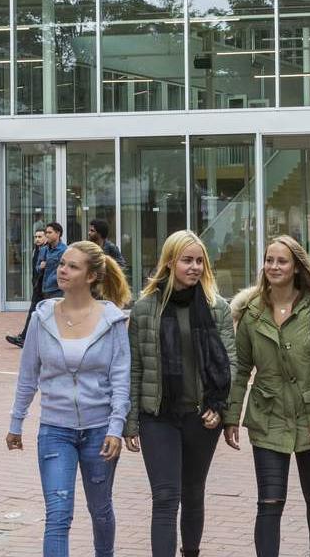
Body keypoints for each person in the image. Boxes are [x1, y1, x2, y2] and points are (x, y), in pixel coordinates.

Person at [7, 240, 133, 557]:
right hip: (54, 430)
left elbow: (121, 379)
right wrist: (16, 422)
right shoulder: (42, 317)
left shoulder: (112, 319)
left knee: (100, 509)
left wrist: (116, 428)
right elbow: (27, 374)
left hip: (100, 430)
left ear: (91, 276)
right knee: (58, 515)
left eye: (72, 266)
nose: (63, 270)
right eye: (62, 263)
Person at [227, 235, 310, 557]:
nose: (274, 267)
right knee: (269, 500)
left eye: (282, 261)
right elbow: (240, 370)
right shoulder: (251, 313)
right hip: (268, 418)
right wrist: (231, 417)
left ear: (296, 267)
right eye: (269, 260)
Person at [124, 230, 235, 557]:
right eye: (187, 260)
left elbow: (230, 364)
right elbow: (133, 369)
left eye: (200, 261)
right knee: (165, 496)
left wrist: (221, 408)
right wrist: (129, 423)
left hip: (202, 417)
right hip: (158, 416)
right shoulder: (145, 310)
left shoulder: (218, 309)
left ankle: (191, 552)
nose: (195, 267)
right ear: (170, 262)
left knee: (193, 492)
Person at [11, 223, 69, 348]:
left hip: (56, 289)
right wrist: (40, 267)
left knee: (56, 317)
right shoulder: (43, 250)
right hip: (42, 288)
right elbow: (38, 267)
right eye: (46, 232)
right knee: (37, 315)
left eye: (49, 232)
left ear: (58, 233)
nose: (47, 235)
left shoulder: (64, 250)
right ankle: (30, 340)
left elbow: (65, 269)